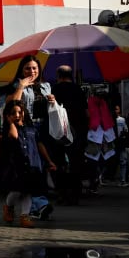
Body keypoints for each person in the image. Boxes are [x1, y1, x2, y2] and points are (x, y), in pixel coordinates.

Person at [5, 55, 56, 220]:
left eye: (34, 68)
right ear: (21, 69)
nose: (31, 71)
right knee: (30, 168)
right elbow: (12, 105)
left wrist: (53, 101)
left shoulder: (46, 86)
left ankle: (37, 205)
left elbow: (51, 109)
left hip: (43, 129)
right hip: (25, 129)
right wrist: (20, 87)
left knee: (38, 169)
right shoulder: (16, 85)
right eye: (28, 68)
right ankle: (39, 205)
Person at [0, 100, 41, 228]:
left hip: (32, 163)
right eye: (13, 113)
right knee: (16, 190)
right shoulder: (9, 129)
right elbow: (14, 136)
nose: (17, 115)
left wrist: (48, 161)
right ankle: (8, 207)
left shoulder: (31, 128)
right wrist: (10, 122)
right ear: (8, 115)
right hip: (15, 165)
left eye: (19, 112)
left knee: (28, 192)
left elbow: (39, 144)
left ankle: (24, 216)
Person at [51, 65, 88, 205]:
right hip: (77, 131)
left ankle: (62, 193)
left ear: (58, 75)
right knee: (75, 163)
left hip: (60, 132)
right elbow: (86, 113)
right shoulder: (78, 90)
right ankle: (75, 193)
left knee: (60, 163)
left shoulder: (55, 90)